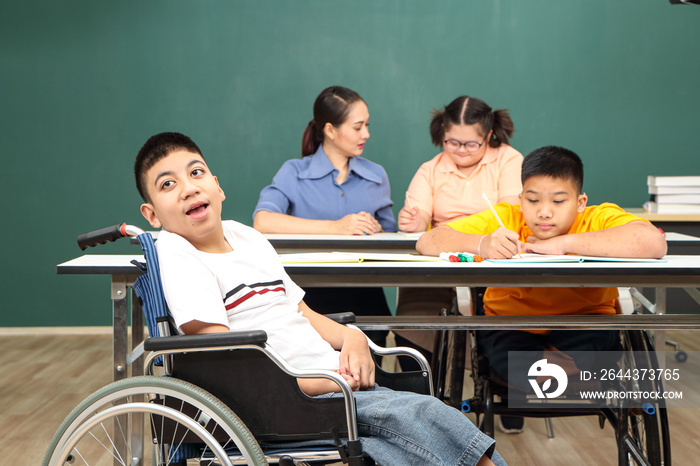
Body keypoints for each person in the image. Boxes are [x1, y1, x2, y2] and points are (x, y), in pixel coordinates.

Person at [134, 131, 506, 466]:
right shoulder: (178, 251)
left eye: (196, 173)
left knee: (406, 439)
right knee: (426, 417)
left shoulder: (247, 237)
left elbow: (300, 311)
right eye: (168, 184)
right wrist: (312, 382)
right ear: (151, 214)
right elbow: (220, 354)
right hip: (287, 400)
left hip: (332, 385)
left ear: (218, 186)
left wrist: (353, 338)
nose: (188, 188)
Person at [416, 145, 667, 434]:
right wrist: (482, 244)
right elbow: (428, 240)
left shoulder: (598, 218)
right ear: (521, 199)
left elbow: (653, 242)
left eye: (559, 201)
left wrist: (562, 245)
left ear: (580, 201)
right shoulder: (506, 217)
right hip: (511, 324)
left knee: (586, 350)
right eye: (533, 200)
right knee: (513, 360)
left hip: (583, 322)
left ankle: (546, 379)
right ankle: (565, 379)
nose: (544, 212)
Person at [253, 86, 394, 347]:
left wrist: (378, 230)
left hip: (366, 300)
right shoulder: (294, 172)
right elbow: (263, 221)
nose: (366, 134)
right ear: (330, 130)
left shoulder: (377, 176)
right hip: (308, 299)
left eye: (367, 125)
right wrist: (336, 227)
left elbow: (391, 238)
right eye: (357, 127)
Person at [394, 96, 523, 371]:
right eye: (452, 142)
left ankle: (505, 387)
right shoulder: (431, 169)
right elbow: (420, 221)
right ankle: (422, 389)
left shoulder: (509, 161)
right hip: (443, 265)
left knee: (506, 328)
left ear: (489, 135)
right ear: (442, 133)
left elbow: (512, 212)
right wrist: (414, 222)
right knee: (415, 314)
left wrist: (457, 229)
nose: (461, 150)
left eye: (471, 144)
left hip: (494, 265)